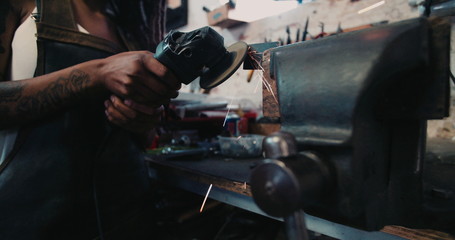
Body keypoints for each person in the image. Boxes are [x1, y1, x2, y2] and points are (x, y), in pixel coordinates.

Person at [0, 0, 181, 239]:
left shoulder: (130, 29)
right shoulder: (22, 4)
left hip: (128, 216)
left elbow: (146, 138)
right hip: (34, 216)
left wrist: (143, 121)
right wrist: (98, 73)